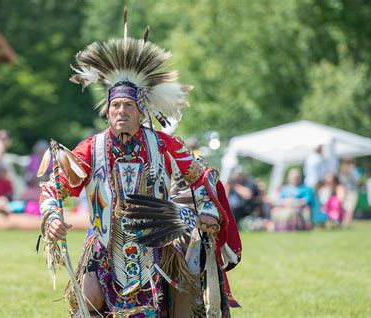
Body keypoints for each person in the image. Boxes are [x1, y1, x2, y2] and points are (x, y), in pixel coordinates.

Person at [38, 14, 241, 317]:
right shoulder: (91, 149)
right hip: (104, 248)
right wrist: (52, 217)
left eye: (128, 105)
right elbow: (54, 186)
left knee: (178, 304)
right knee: (88, 302)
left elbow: (200, 177)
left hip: (157, 249)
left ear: (140, 110)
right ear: (107, 112)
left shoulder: (163, 145)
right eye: (115, 106)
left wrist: (208, 211)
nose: (121, 111)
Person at [338, 159, 359, 228]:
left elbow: (341, 181)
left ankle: (344, 222)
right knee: (350, 208)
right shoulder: (352, 170)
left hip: (344, 191)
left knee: (346, 208)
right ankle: (347, 223)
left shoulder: (341, 171)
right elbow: (357, 179)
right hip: (352, 190)